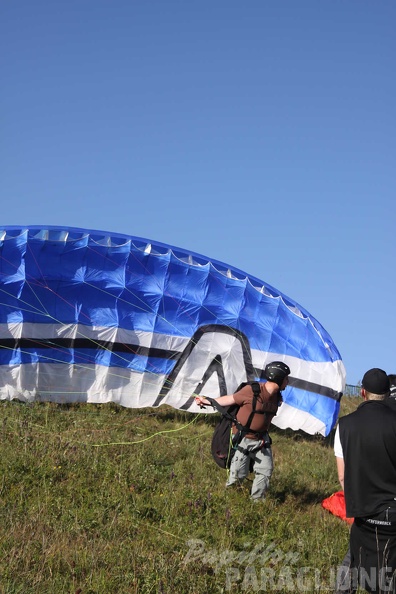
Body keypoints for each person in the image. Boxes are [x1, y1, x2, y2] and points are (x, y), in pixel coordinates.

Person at [333, 368, 396, 593]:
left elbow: (343, 476)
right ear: (387, 394)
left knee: (353, 561)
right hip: (392, 513)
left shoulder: (344, 425)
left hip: (363, 513)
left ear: (362, 393)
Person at [195, 361, 290, 501]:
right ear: (278, 378)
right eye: (286, 378)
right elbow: (230, 399)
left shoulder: (277, 396)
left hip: (262, 440)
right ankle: (229, 500)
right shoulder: (252, 391)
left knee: (265, 470)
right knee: (238, 474)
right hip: (243, 439)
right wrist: (207, 401)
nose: (288, 382)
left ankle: (257, 502)